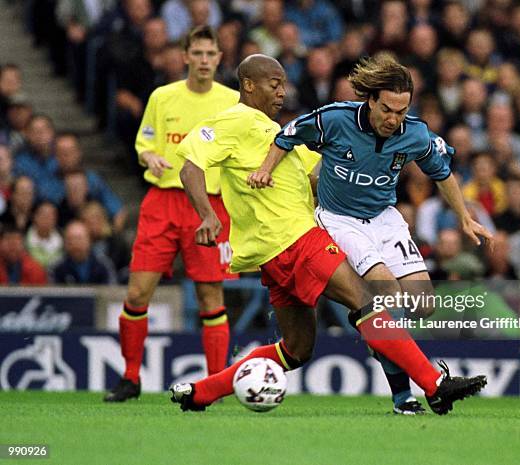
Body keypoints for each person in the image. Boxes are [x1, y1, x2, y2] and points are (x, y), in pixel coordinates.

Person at [172, 54, 487, 415]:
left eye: (284, 85)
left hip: (275, 251)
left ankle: (199, 393)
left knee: (296, 349)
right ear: (248, 85)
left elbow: (315, 177)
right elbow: (191, 167)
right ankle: (433, 385)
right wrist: (207, 215)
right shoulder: (231, 121)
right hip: (295, 239)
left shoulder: (271, 131)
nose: (282, 92)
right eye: (274, 85)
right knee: (369, 301)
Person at [103, 26, 240, 402]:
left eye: (210, 54)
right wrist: (150, 155)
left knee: (211, 297)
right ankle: (130, 378)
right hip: (163, 201)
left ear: (219, 58)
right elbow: (144, 143)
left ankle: (214, 384)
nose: (204, 60)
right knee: (137, 291)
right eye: (197, 53)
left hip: (209, 206)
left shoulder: (232, 102)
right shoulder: (163, 97)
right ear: (184, 57)